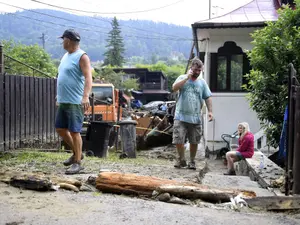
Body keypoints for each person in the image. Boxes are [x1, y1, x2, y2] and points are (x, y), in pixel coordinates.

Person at [55, 29, 92, 174]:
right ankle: (77, 153)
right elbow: (63, 77)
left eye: (63, 39)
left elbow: (88, 78)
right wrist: (59, 95)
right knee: (60, 129)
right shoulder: (65, 55)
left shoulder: (82, 57)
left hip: (75, 101)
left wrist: (85, 96)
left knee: (75, 131)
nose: (62, 42)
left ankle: (77, 162)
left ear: (68, 40)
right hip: (64, 100)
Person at [172, 57, 213, 170]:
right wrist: (186, 78)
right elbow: (174, 88)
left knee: (194, 141)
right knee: (178, 140)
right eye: (195, 70)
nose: (197, 73)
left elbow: (208, 97)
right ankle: (181, 159)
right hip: (180, 116)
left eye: (199, 71)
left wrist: (210, 111)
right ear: (191, 68)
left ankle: (192, 161)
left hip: (195, 117)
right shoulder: (182, 77)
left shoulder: (202, 82)